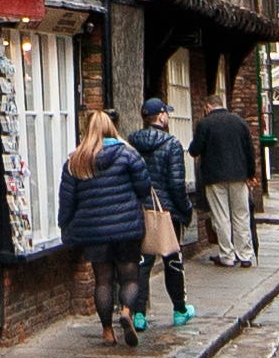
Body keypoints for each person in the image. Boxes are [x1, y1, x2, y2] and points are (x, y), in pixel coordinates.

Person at [58, 110, 164, 344]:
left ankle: (107, 332)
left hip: (94, 232)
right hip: (127, 229)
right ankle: (127, 311)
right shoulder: (128, 154)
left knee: (103, 281)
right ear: (111, 127)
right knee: (130, 277)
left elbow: (67, 199)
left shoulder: (76, 160)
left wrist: (64, 226)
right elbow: (144, 188)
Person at [128, 99, 202, 326]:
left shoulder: (131, 142)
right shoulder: (171, 144)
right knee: (172, 260)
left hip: (140, 210)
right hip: (166, 212)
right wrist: (186, 209)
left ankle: (139, 315)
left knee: (142, 262)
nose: (168, 117)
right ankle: (179, 309)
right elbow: (176, 184)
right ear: (160, 116)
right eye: (166, 113)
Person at [189, 89, 262, 266]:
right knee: (241, 215)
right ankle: (245, 255)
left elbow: (194, 150)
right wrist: (251, 174)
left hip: (214, 177)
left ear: (207, 107)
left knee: (221, 216)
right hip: (239, 175)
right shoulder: (239, 122)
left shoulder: (205, 124)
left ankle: (227, 256)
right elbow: (249, 151)